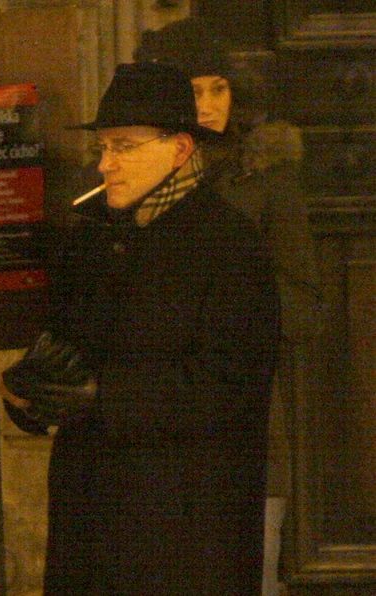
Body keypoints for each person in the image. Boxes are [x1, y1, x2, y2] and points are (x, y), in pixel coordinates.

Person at [2, 62, 281, 595]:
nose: (105, 164)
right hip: (91, 523)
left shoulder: (229, 244)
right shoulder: (91, 238)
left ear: (180, 149)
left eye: (124, 146)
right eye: (103, 147)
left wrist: (105, 395)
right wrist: (32, 393)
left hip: (184, 529)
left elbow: (232, 385)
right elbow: (64, 345)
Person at [134, 19, 324, 594]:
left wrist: (224, 297)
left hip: (243, 423)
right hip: (157, 424)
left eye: (219, 87)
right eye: (195, 90)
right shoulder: (138, 178)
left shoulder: (265, 176)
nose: (211, 103)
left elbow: (304, 308)